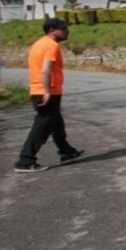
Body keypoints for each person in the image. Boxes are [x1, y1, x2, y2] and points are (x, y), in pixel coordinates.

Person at [14, 18, 83, 173]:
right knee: (42, 127)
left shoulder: (40, 43)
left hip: (42, 90)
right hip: (45, 91)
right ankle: (25, 160)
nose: (67, 31)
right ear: (52, 30)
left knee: (56, 123)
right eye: (64, 28)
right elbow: (46, 70)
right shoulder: (51, 46)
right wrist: (47, 91)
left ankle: (66, 151)